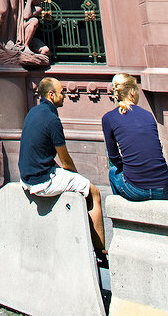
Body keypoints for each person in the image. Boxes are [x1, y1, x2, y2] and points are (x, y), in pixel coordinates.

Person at [18, 77, 107, 263]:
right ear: (51, 95)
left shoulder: (32, 112)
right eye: (62, 92)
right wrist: (77, 177)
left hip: (27, 176)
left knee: (76, 183)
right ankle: (100, 252)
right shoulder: (52, 119)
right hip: (42, 180)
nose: (65, 96)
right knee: (94, 192)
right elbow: (66, 161)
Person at [102, 73, 168, 201]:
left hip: (135, 190)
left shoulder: (109, 118)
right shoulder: (148, 115)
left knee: (113, 172)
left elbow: (113, 157)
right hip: (164, 190)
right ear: (133, 92)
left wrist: (129, 170)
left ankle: (121, 215)